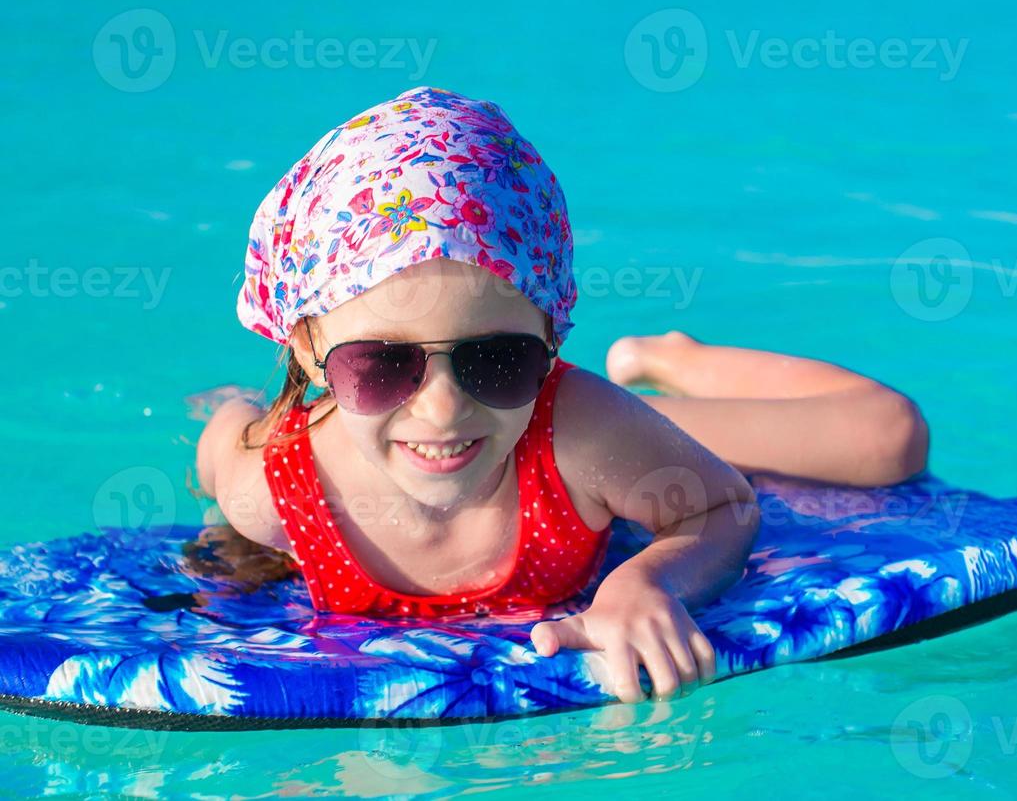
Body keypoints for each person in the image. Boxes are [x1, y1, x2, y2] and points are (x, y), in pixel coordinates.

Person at [196, 86, 929, 704]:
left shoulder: (580, 432)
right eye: (382, 365)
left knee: (890, 437)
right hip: (501, 431)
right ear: (308, 349)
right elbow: (224, 444)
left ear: (552, 329)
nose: (444, 406)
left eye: (498, 359)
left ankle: (679, 361)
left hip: (566, 446)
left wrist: (649, 582)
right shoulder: (273, 485)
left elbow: (725, 504)